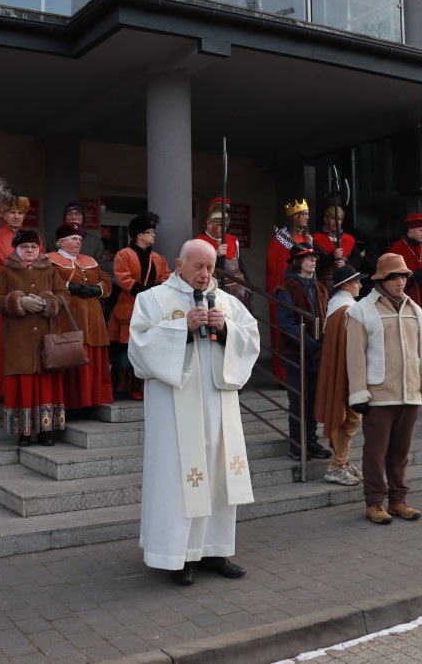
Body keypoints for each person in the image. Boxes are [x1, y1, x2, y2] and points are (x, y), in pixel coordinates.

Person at [129, 239, 260, 585]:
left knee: (217, 477)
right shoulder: (152, 300)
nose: (205, 275)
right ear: (178, 264)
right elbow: (138, 349)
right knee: (179, 479)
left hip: (218, 407)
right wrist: (181, 330)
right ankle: (179, 556)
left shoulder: (229, 302)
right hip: (174, 410)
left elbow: (252, 340)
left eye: (211, 268)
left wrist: (227, 329)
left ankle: (214, 551)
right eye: (198, 267)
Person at [347, 253, 422, 524]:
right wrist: (358, 392)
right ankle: (374, 502)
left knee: (401, 453)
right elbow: (355, 356)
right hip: (378, 394)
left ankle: (399, 501)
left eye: (403, 277)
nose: (401, 282)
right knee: (375, 453)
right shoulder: (362, 310)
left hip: (410, 393)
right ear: (381, 280)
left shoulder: (415, 309)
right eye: (394, 277)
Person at [0, 229, 70, 446]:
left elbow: (64, 294)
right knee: (23, 384)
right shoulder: (7, 271)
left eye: (34, 246)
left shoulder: (50, 268)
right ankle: (23, 432)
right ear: (17, 249)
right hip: (18, 340)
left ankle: (46, 431)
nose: (30, 250)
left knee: (45, 384)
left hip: (46, 338)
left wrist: (47, 302)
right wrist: (18, 302)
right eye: (25, 247)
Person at [47, 221, 113, 418]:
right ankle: (72, 404)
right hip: (68, 319)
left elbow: (106, 281)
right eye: (73, 239)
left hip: (93, 320)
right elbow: (46, 282)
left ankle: (92, 402)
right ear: (61, 242)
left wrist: (97, 289)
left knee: (93, 357)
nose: (78, 243)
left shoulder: (89, 260)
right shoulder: (50, 259)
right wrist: (69, 286)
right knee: (72, 356)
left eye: (79, 239)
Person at [274, 242, 332, 461]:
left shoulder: (320, 287)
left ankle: (311, 441)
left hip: (317, 353)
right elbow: (286, 323)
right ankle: (297, 444)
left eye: (315, 258)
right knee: (298, 401)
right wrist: (311, 344)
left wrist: (323, 343)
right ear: (298, 262)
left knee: (314, 401)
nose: (314, 261)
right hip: (295, 353)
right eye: (309, 258)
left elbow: (326, 318)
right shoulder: (287, 288)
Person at [0, 176, 37, 400]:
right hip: (2, 297)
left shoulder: (32, 237)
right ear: (3, 215)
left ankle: (22, 383)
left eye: (20, 213)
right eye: (12, 212)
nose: (16, 216)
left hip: (29, 296)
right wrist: (11, 281)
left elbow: (40, 262)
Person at [314, 265, 369, 485]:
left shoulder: (338, 307)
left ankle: (343, 461)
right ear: (345, 285)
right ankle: (336, 466)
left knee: (351, 418)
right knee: (350, 418)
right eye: (357, 282)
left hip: (345, 371)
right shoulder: (346, 309)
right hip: (348, 373)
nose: (361, 285)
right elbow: (353, 347)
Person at [108, 212, 170, 400]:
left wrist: (157, 290)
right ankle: (129, 386)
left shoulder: (158, 258)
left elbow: (167, 277)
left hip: (152, 309)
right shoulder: (123, 254)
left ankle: (146, 386)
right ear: (139, 235)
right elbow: (122, 277)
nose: (154, 234)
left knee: (150, 346)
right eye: (149, 231)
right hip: (129, 306)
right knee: (129, 346)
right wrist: (144, 291)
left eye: (153, 231)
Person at [386, 213, 422, 373]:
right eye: (421, 230)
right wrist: (412, 277)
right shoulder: (396, 249)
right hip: (409, 303)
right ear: (411, 229)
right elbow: (388, 279)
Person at [266, 199, 314, 380]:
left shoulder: (308, 238)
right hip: (288, 294)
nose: (307, 217)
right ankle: (284, 376)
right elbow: (275, 270)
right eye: (303, 214)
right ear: (295, 217)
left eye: (308, 214)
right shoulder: (280, 241)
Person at [195, 197, 252, 310]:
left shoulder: (233, 240)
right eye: (220, 225)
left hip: (239, 292)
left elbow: (241, 267)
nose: (224, 229)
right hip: (215, 292)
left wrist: (248, 287)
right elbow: (198, 269)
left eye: (226, 225)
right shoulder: (199, 242)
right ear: (209, 224)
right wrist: (216, 255)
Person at [311, 203, 357, 289]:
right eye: (333, 218)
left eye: (339, 219)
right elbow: (314, 263)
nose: (336, 222)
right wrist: (332, 256)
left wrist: (346, 263)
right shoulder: (315, 239)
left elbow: (358, 261)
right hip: (324, 285)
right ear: (325, 219)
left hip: (346, 283)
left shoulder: (349, 239)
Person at [60, 202, 111, 277]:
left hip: (88, 286)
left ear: (83, 218)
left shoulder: (96, 242)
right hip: (63, 286)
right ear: (65, 219)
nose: (74, 217)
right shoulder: (56, 241)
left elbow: (102, 270)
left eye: (77, 214)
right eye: (70, 214)